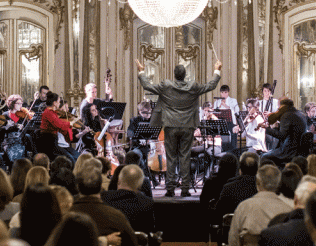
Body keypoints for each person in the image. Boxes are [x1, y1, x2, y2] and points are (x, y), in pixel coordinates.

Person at [136, 58, 222, 197]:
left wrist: (141, 71)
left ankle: (170, 189)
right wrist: (217, 69)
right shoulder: (193, 86)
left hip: (170, 125)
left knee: (171, 158)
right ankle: (185, 189)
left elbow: (147, 86)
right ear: (185, 75)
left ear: (175, 75)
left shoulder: (166, 85)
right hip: (188, 126)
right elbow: (211, 85)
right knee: (185, 157)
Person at [70, 164, 138, 246]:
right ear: (100, 186)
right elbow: (132, 242)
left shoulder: (65, 214)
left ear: (77, 187)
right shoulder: (116, 216)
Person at [228, 164, 292, 246]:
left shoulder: (243, 207)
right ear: (278, 184)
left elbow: (233, 240)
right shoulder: (288, 210)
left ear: (258, 183)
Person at [101, 164, 155, 233]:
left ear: (119, 180)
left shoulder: (103, 198)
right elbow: (149, 230)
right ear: (140, 184)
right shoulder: (147, 203)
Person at [261, 98, 307, 163]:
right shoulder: (300, 114)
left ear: (282, 106)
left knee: (264, 156)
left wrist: (267, 129)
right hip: (299, 150)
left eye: (279, 106)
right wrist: (276, 127)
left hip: (289, 151)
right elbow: (290, 130)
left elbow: (281, 136)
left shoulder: (286, 115)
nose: (278, 108)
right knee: (271, 151)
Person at [39, 92, 80, 163]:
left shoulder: (52, 112)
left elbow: (60, 125)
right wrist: (71, 123)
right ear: (54, 103)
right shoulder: (48, 113)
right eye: (58, 102)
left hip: (52, 141)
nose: (59, 103)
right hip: (49, 143)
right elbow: (60, 125)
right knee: (70, 159)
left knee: (75, 157)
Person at [257, 83, 280, 150]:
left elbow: (279, 114)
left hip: (273, 127)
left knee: (274, 146)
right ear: (262, 92)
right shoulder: (259, 102)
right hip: (263, 127)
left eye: (269, 91)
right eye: (265, 91)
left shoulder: (275, 101)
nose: (267, 93)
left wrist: (271, 114)